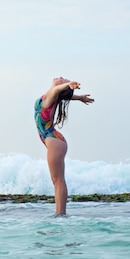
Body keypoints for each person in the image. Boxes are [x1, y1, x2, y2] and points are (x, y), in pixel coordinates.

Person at [34, 77, 94, 215]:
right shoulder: (52, 95)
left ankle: (60, 214)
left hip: (54, 140)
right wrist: (78, 97)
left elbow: (57, 90)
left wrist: (68, 85)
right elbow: (60, 93)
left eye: (64, 79)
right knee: (56, 180)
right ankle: (59, 213)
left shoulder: (52, 93)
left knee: (58, 180)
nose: (61, 77)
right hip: (51, 139)